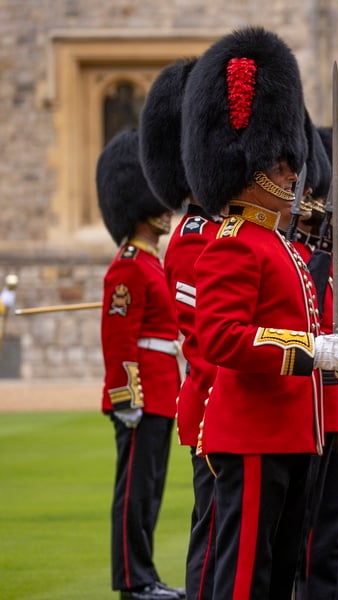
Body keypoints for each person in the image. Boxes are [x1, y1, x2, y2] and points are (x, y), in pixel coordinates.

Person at [181, 27, 338, 600]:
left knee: (278, 574)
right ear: (250, 170)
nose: (290, 176)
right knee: (244, 577)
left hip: (290, 431)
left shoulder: (277, 244)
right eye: (281, 167)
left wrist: (329, 348)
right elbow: (221, 338)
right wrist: (312, 351)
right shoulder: (234, 243)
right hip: (252, 434)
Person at [139, 56, 221, 600]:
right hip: (214, 405)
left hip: (231, 406)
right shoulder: (193, 237)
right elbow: (205, 337)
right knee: (214, 536)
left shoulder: (221, 232)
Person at [96, 129, 184, 600]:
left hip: (162, 391)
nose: (168, 209)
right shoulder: (129, 265)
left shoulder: (150, 263)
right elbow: (119, 340)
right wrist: (125, 395)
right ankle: (134, 581)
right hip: (142, 395)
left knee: (149, 492)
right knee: (134, 492)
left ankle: (145, 575)